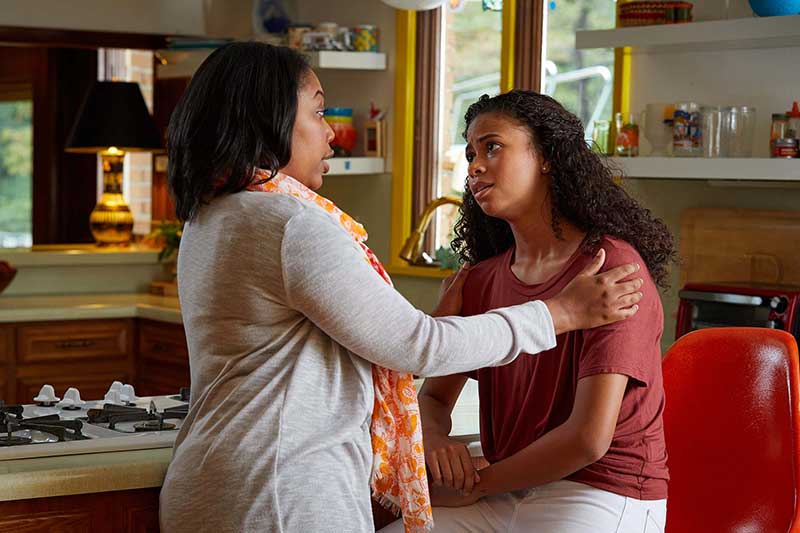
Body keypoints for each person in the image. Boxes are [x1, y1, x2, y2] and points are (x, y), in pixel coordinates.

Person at [158, 44, 644, 533]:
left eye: (492, 148)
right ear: (269, 118)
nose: (331, 133)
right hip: (280, 495)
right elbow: (417, 346)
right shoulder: (291, 225)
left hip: (211, 480)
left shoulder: (210, 219)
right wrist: (557, 314)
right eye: (319, 111)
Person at [382, 91, 675, 533]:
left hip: (600, 490)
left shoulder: (611, 270)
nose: (475, 166)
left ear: (547, 158)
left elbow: (588, 439)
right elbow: (435, 396)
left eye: (492, 147)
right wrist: (438, 443)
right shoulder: (479, 281)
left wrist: (477, 483)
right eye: (470, 154)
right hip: (507, 487)